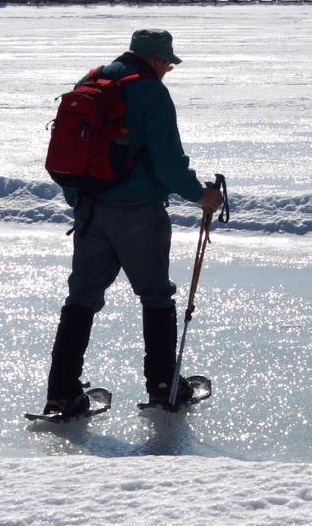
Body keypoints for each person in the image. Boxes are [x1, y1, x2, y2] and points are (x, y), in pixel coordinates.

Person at [44, 28, 223, 416]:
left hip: (90, 208)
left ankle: (61, 392)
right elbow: (169, 162)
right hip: (139, 211)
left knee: (81, 299)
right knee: (156, 296)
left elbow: (71, 150)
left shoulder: (91, 80)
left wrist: (81, 201)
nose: (169, 71)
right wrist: (201, 196)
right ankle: (163, 387)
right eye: (168, 64)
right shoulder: (150, 91)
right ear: (157, 60)